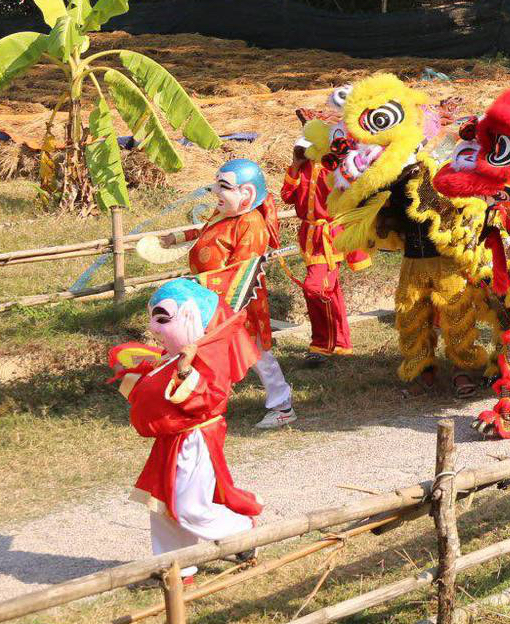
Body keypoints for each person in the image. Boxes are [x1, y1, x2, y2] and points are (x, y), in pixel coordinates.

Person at [111, 278, 263, 581]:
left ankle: (242, 532)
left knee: (189, 506)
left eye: (163, 319)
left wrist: (184, 371)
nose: (154, 328)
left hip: (197, 439)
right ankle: (177, 567)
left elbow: (207, 400)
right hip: (171, 440)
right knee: (163, 507)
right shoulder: (176, 355)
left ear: (192, 317)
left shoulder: (210, 356)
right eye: (153, 318)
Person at [188, 159, 294, 429]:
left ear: (246, 194)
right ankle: (203, 406)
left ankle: (282, 407)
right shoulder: (225, 214)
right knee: (207, 354)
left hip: (240, 302)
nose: (214, 191)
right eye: (216, 183)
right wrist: (176, 240)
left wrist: (203, 284)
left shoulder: (250, 224)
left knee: (258, 355)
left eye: (223, 186)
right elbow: (206, 233)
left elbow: (242, 271)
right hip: (212, 300)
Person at [280, 120, 361, 362]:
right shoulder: (301, 168)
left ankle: (321, 344)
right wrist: (295, 165)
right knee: (330, 290)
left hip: (329, 237)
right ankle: (340, 343)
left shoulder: (333, 167)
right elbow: (286, 196)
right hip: (309, 237)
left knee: (316, 288)